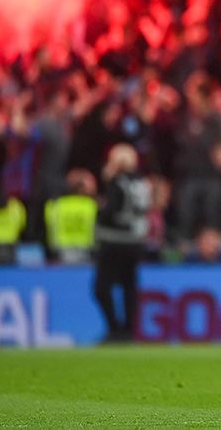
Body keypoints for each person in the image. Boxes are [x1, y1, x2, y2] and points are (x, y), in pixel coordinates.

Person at [93, 144, 152, 343]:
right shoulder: (142, 183)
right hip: (135, 241)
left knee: (101, 287)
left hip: (114, 240)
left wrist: (99, 211)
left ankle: (114, 329)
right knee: (129, 287)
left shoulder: (117, 182)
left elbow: (111, 212)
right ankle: (128, 331)